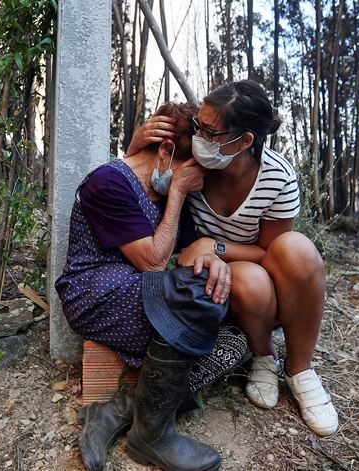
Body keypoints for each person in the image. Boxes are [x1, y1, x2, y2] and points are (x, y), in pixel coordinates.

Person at [128, 80, 339, 437]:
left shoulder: (277, 178)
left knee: (297, 249)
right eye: (198, 126)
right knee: (248, 281)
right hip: (232, 286)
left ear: (244, 142)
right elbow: (141, 184)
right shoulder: (192, 164)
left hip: (263, 277)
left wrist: (215, 245)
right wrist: (137, 144)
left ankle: (300, 369)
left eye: (210, 132)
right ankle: (263, 357)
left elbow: (271, 252)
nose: (199, 138)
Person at [55, 102, 247, 471]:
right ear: (164, 151)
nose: (197, 183)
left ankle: (120, 410)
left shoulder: (165, 191)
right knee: (196, 303)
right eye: (191, 172)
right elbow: (155, 261)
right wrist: (176, 193)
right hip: (96, 292)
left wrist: (210, 260)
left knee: (237, 337)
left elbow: (185, 254)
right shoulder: (108, 181)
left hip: (145, 294)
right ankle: (152, 436)